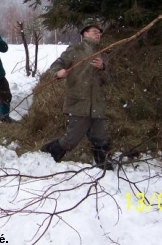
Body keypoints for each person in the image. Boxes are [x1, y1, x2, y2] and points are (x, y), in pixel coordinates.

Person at [40, 20, 113, 169]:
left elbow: (108, 80)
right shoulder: (76, 49)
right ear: (84, 33)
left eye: (99, 33)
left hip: (96, 103)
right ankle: (48, 152)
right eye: (94, 32)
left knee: (100, 137)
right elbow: (57, 65)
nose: (98, 35)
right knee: (71, 140)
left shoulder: (103, 53)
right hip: (79, 101)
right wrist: (58, 73)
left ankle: (103, 164)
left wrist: (103, 67)